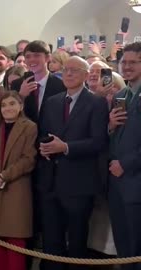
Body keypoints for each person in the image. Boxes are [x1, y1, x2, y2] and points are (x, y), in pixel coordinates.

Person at [37, 56, 109, 270]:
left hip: (79, 183)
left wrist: (66, 147)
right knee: (51, 241)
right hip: (51, 182)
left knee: (77, 242)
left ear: (87, 76)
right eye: (66, 70)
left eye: (74, 70)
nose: (68, 74)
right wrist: (44, 147)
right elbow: (43, 134)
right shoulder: (53, 102)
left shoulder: (96, 103)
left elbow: (99, 142)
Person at [0, 91, 37, 270]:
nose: (7, 108)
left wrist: (4, 176)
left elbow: (29, 159)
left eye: (12, 103)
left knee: (15, 238)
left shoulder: (29, 127)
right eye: (4, 105)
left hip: (16, 186)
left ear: (21, 106)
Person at [108, 42, 141, 270]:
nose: (126, 66)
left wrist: (126, 164)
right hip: (117, 182)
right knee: (123, 247)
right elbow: (114, 137)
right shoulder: (121, 94)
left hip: (136, 179)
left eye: (133, 62)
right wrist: (110, 126)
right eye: (124, 62)